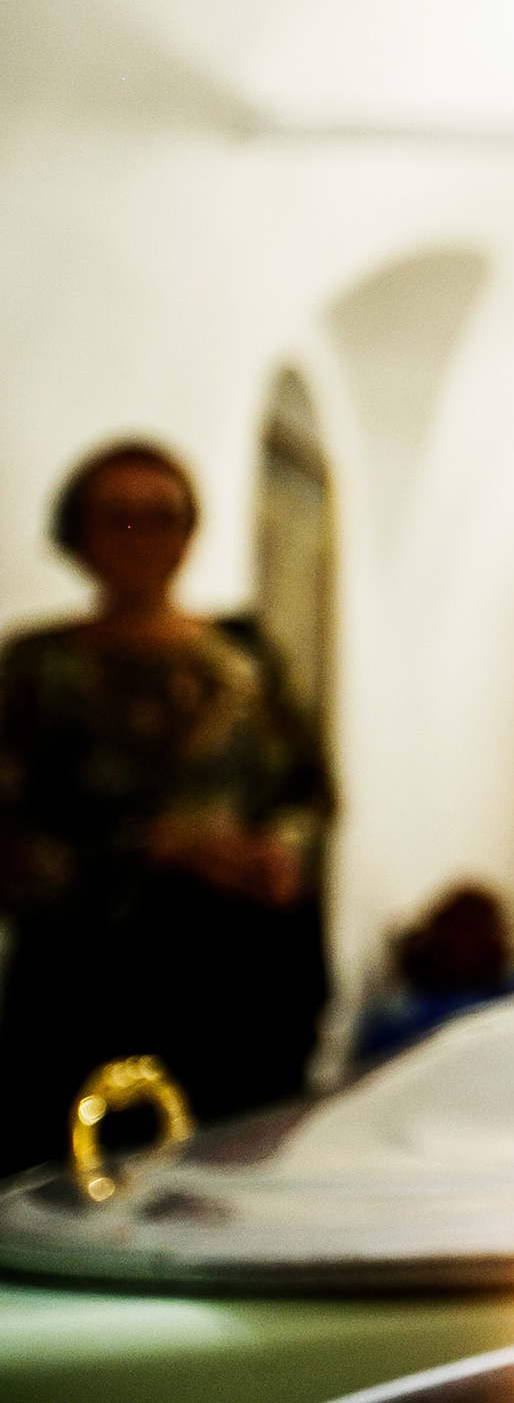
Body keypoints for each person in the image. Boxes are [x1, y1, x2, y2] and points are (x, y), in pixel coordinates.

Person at [0, 442, 332, 1174]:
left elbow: (305, 793)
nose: (142, 538)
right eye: (117, 518)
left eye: (162, 517)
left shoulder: (245, 661)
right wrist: (152, 848)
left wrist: (276, 853)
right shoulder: (37, 668)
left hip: (232, 979)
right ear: (77, 534)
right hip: (86, 982)